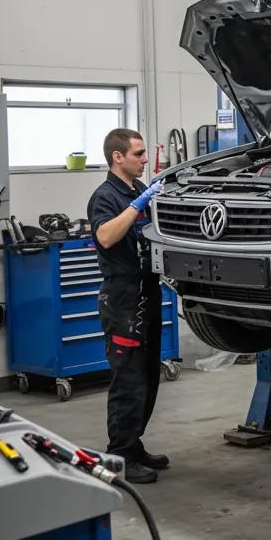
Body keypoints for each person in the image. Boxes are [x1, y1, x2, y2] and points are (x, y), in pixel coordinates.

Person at [87, 129, 167, 485]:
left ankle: (133, 446)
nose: (144, 159)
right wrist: (137, 207)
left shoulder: (138, 190)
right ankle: (119, 454)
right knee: (128, 380)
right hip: (121, 298)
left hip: (146, 293)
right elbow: (105, 236)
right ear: (117, 157)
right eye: (138, 153)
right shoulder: (105, 196)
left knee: (149, 377)